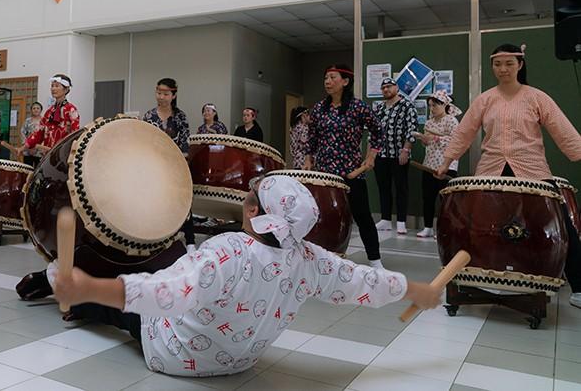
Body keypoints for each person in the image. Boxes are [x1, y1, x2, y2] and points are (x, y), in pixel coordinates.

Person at [51, 175, 441, 377]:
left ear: (254, 211)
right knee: (170, 273)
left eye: (249, 197)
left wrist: (88, 287)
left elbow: (166, 292)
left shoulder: (227, 250)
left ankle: (74, 302)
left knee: (129, 306)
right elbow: (364, 281)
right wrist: (418, 290)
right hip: (239, 361)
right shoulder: (308, 258)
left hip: (176, 355)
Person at [438, 43, 581, 307]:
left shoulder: (536, 97)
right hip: (491, 169)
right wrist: (446, 161)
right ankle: (476, 274)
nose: (503, 69)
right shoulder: (485, 99)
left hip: (532, 169)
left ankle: (579, 286)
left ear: (520, 65)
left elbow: (562, 129)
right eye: (497, 64)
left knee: (561, 224)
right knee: (477, 225)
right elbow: (464, 131)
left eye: (509, 64)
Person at [304, 64, 385, 268]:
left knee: (362, 216)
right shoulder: (319, 108)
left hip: (351, 171)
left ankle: (375, 261)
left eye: (333, 77)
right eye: (326, 78)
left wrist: (371, 156)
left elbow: (378, 130)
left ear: (345, 81)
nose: (328, 82)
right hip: (324, 174)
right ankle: (322, 259)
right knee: (323, 216)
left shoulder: (357, 107)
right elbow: (312, 137)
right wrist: (308, 159)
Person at [142, 78, 195, 247]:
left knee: (181, 201)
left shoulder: (180, 117)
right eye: (158, 93)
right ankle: (154, 238)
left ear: (174, 95)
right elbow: (144, 140)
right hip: (154, 165)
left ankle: (190, 241)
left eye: (165, 94)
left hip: (175, 165)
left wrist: (182, 164)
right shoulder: (149, 116)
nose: (161, 97)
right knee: (154, 200)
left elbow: (185, 142)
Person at [372, 77, 418, 235]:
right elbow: (373, 132)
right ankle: (385, 219)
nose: (386, 89)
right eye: (383, 87)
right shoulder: (379, 108)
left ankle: (401, 221)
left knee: (401, 188)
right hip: (381, 154)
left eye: (389, 86)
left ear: (397, 88)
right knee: (383, 187)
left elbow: (412, 129)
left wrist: (406, 150)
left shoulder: (407, 105)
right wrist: (371, 154)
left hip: (399, 154)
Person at [414, 90, 460, 238]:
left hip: (447, 165)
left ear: (444, 105)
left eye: (434, 105)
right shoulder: (429, 122)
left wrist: (436, 138)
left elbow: (456, 141)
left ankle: (444, 228)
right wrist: (424, 139)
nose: (432, 109)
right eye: (430, 105)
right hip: (429, 164)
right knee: (428, 197)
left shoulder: (452, 120)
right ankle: (428, 227)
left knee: (445, 200)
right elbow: (427, 144)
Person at [17, 74, 80, 156]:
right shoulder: (49, 112)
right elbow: (38, 133)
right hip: (48, 155)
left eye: (57, 86)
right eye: (52, 86)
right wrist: (23, 147)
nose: (53, 88)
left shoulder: (71, 110)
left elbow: (75, 134)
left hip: (63, 155)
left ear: (66, 89)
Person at [20, 101, 44, 167]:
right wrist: (28, 147)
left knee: (38, 169)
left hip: (39, 151)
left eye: (38, 108)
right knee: (27, 169)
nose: (36, 110)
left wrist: (38, 147)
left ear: (41, 110)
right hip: (28, 150)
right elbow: (22, 133)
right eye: (34, 108)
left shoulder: (44, 121)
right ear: (31, 110)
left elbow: (46, 136)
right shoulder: (27, 121)